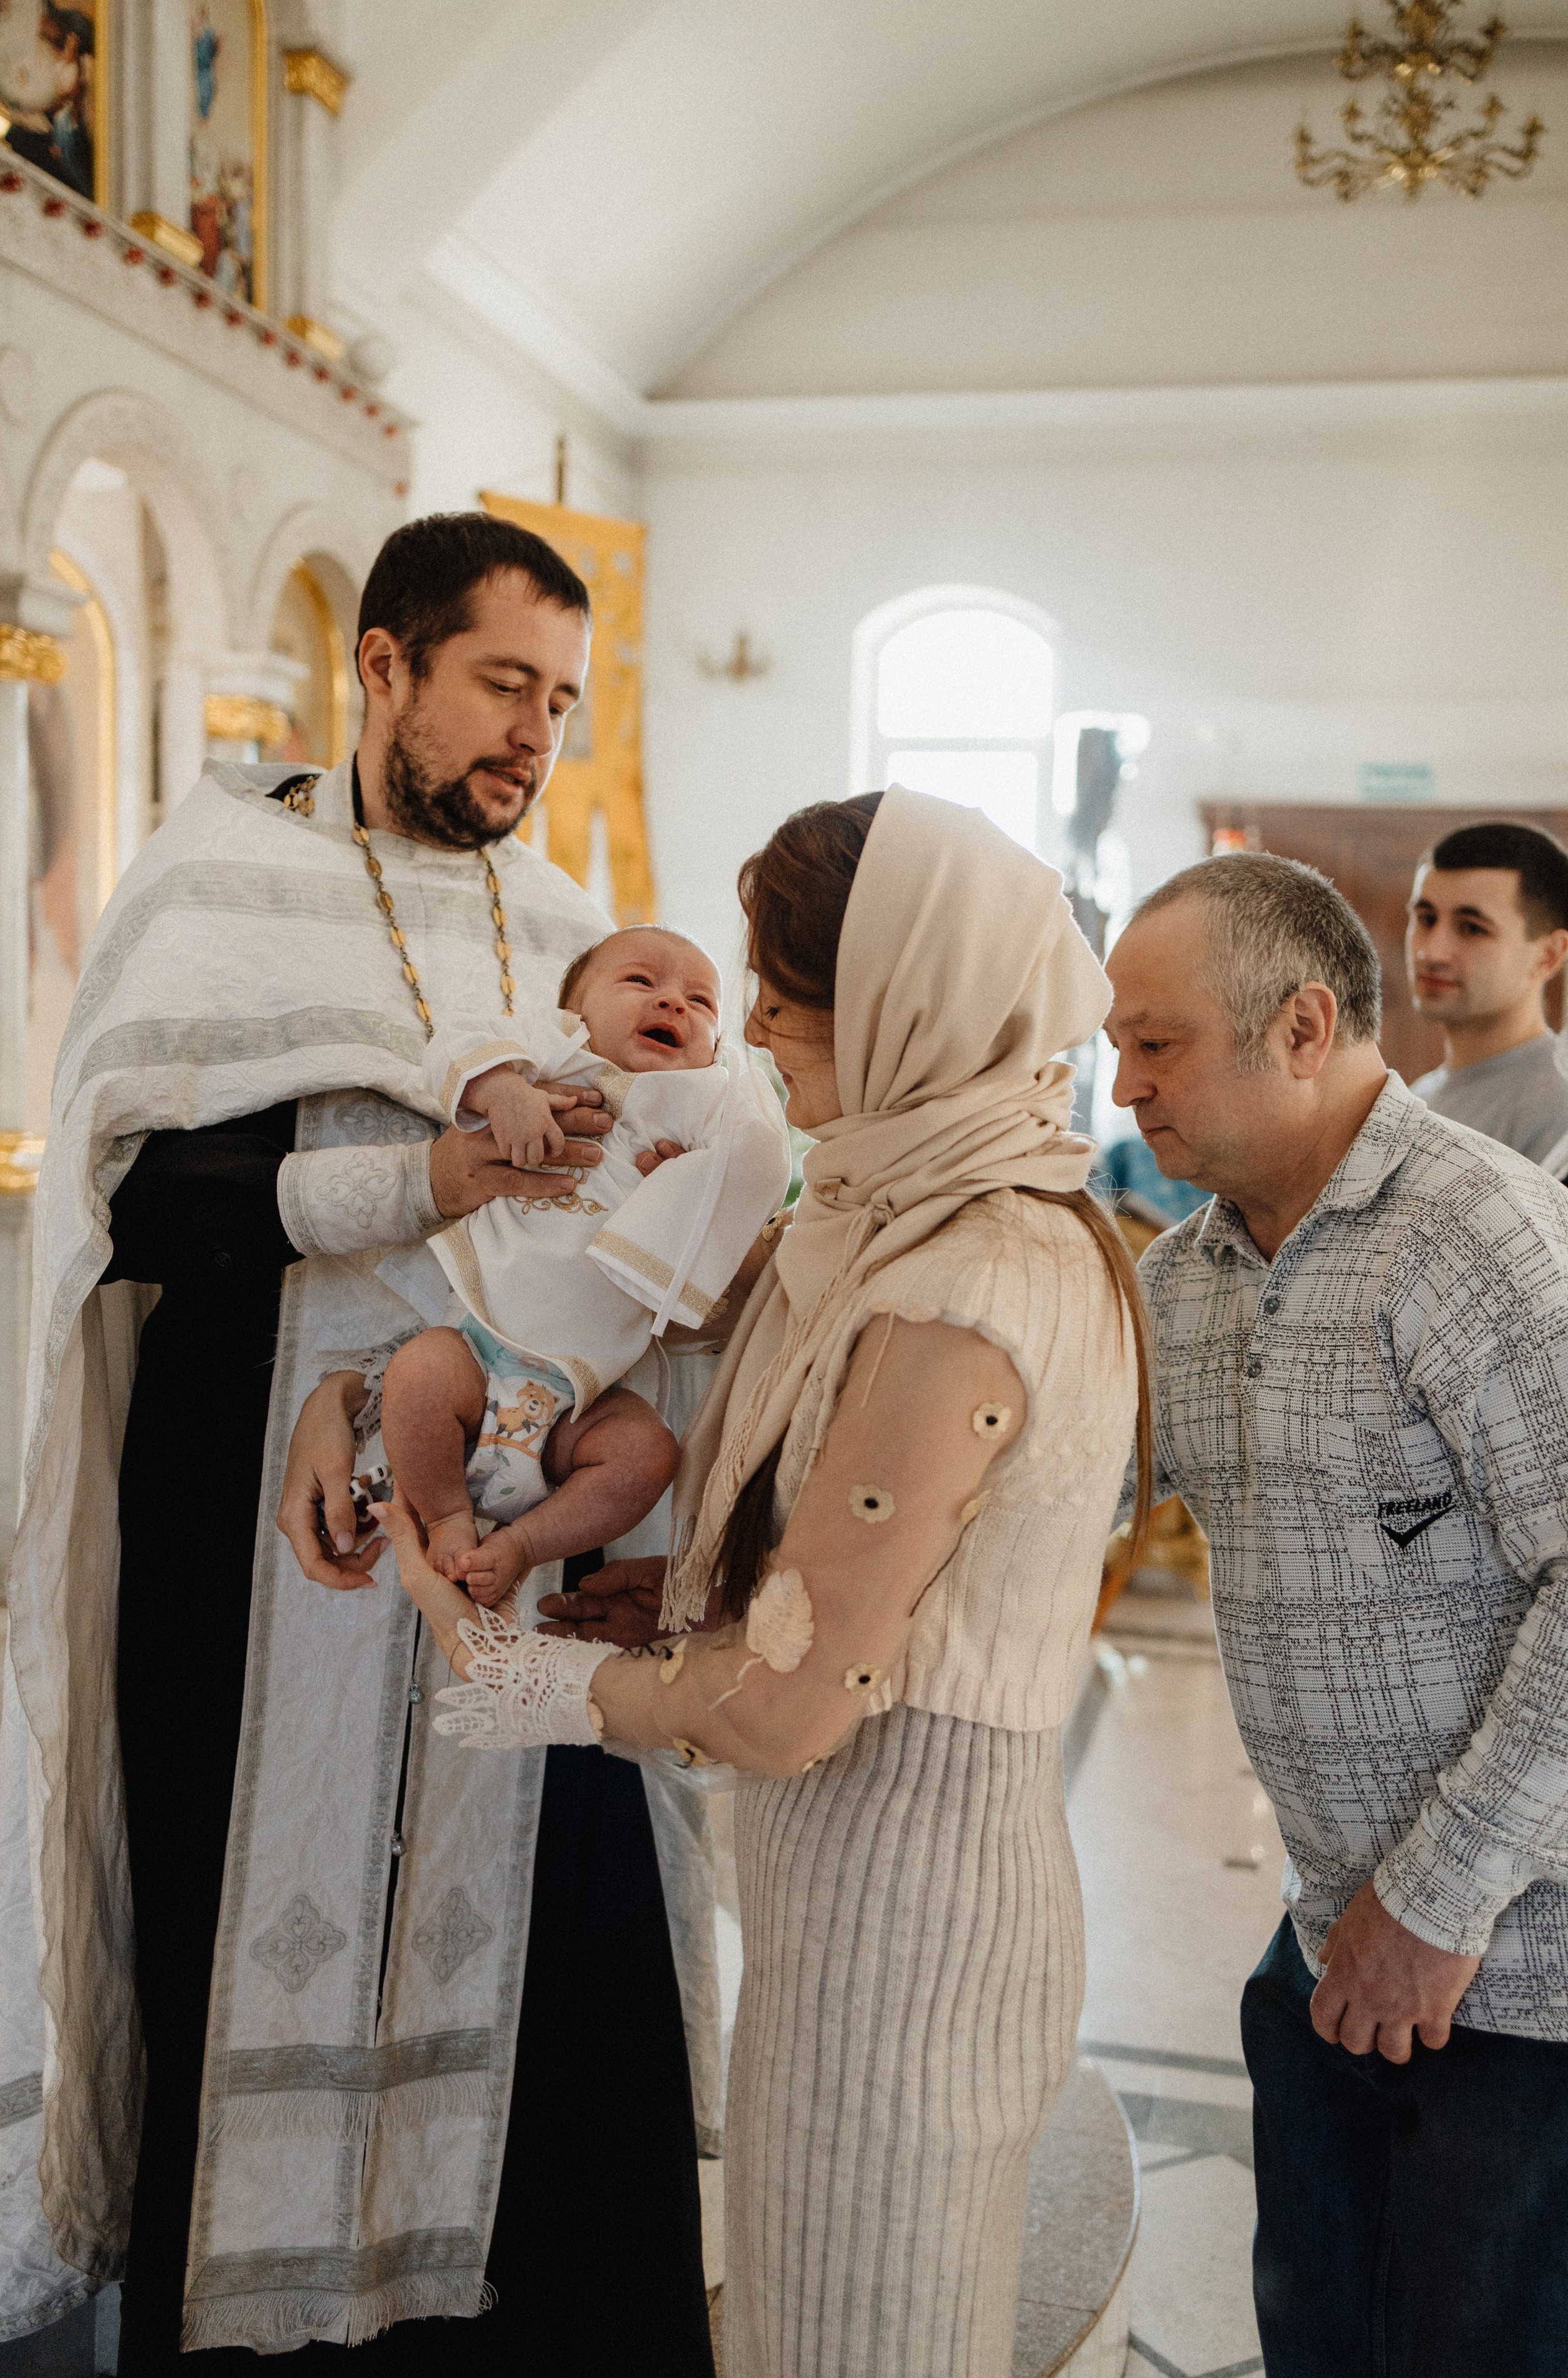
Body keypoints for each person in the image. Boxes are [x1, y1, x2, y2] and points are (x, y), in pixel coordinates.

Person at [0, 512, 716, 2375]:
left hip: (511, 1520)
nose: (533, 734)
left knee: (554, 1966)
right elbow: (131, 1204)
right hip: (252, 1520)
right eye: (500, 684)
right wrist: (423, 1177)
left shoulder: (566, 930)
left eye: (559, 700)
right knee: (236, 1910)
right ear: (381, 664)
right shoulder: (219, 882)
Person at [379, 785, 1152, 2378]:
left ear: (896, 999)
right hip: (845, 1906)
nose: (756, 1024)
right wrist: (693, 1593)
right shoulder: (909, 1207)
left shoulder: (967, 1280)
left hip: (911, 1934)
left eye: (784, 989)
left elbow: (799, 1704)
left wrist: (528, 1675)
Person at [1106, 851, 1568, 2378]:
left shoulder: (1477, 1235)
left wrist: (1432, 1905)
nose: (1123, 1085)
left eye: (1155, 1042)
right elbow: (1048, 1502)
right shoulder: (1186, 1276)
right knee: (1322, 2333)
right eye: (1116, 1043)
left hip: (1519, 1971)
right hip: (1326, 1940)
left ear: (1300, 1028)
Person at [379, 923, 789, 1603]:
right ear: (574, 1012)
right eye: (641, 981)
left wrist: (700, 1187)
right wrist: (501, 1091)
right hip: (477, 1350)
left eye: (701, 1001)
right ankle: (448, 1515)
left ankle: (521, 1544)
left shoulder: (708, 1101)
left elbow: (762, 1156)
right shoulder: (553, 1052)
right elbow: (459, 1041)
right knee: (417, 1372)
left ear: (716, 1048)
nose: (673, 1003)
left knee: (650, 1456)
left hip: (586, 1396)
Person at [1406, 818, 1568, 1171]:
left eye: (1472, 928)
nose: (1431, 952)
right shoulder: (1418, 1097)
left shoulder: (1557, 1108)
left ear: (1548, 955)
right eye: (1427, 919)